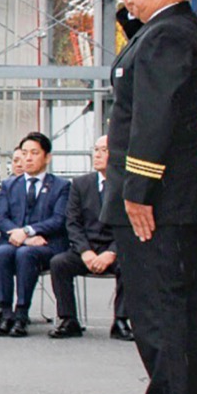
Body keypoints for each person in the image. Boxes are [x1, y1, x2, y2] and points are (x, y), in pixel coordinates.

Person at [103, 0, 197, 394]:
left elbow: (155, 119)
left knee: (161, 312)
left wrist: (138, 190)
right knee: (181, 312)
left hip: (159, 202)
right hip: (173, 198)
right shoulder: (167, 32)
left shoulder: (169, 37)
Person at [48, 135, 132, 340]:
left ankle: (121, 320)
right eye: (95, 149)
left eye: (104, 150)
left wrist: (111, 253)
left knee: (131, 265)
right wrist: (85, 251)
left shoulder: (128, 184)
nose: (98, 154)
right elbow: (73, 223)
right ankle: (68, 320)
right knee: (59, 263)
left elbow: (129, 226)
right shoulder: (80, 184)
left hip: (116, 250)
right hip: (86, 249)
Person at [0, 131, 69, 338]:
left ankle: (22, 313)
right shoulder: (9, 185)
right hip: (15, 241)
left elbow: (59, 219)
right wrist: (23, 236)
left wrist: (29, 231)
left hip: (47, 244)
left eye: (34, 153)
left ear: (47, 157)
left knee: (26, 254)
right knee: (1, 253)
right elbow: (0, 217)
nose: (28, 158)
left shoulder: (61, 186)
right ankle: (5, 312)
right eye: (24, 153)